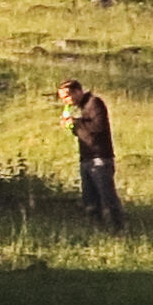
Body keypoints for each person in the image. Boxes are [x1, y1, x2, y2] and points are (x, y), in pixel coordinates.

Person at [58, 78, 122, 228]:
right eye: (63, 98)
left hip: (100, 157)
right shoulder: (83, 108)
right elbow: (84, 132)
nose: (66, 101)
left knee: (106, 195)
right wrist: (73, 127)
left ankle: (117, 227)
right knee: (90, 197)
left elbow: (97, 127)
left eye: (67, 96)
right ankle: (98, 228)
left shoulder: (94, 103)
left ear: (77, 91)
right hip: (86, 157)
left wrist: (76, 122)